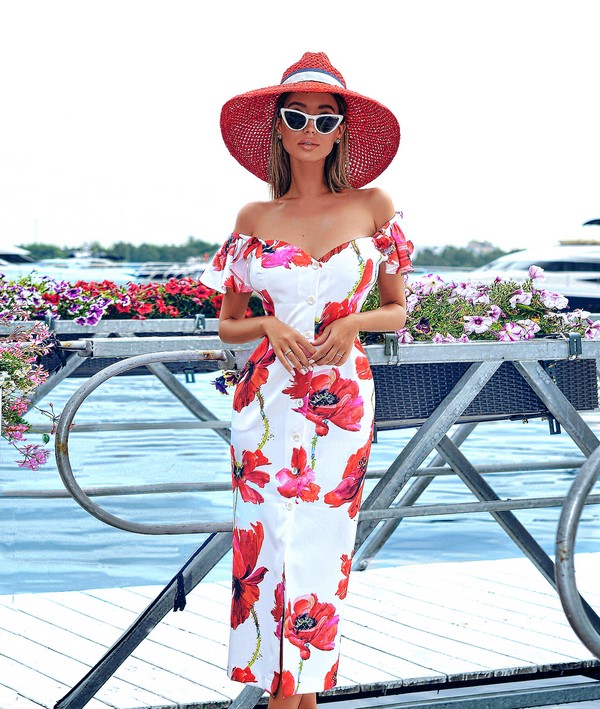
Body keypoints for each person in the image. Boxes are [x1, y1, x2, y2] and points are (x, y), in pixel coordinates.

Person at [200, 51, 413, 709]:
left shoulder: (374, 206)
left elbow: (398, 310)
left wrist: (353, 324)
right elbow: (228, 326)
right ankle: (286, 695)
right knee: (267, 541)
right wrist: (268, 325)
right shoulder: (253, 221)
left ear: (343, 128)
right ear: (279, 127)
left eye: (325, 117)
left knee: (322, 545)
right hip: (266, 401)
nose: (311, 128)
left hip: (341, 402)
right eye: (297, 116)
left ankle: (293, 696)